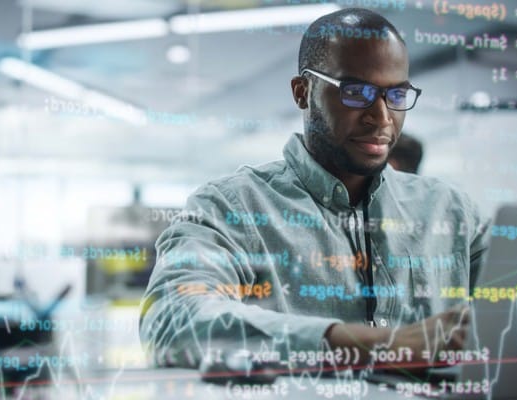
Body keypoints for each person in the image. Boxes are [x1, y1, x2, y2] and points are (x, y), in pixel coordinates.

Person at [139, 8, 488, 371]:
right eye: (356, 92)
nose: (382, 117)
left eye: (396, 95)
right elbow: (171, 322)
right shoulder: (230, 208)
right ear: (303, 92)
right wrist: (382, 345)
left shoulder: (452, 212)